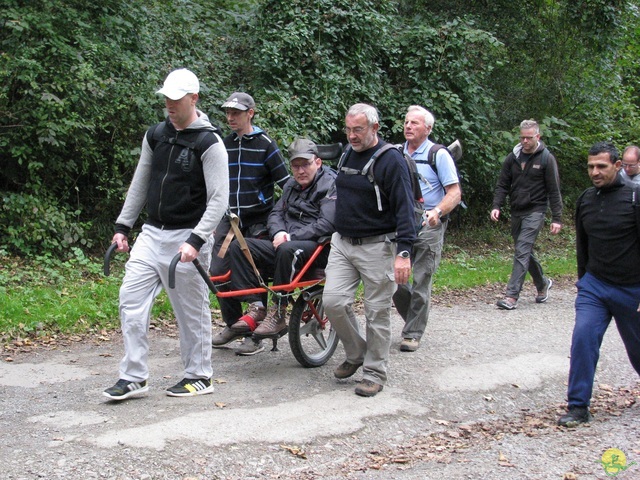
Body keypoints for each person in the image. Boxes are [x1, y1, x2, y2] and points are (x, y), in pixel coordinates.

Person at [103, 68, 229, 401]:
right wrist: (122, 226)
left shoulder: (209, 142)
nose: (170, 105)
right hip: (151, 233)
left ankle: (199, 374)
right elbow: (140, 181)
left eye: (176, 99)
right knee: (130, 301)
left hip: (187, 236)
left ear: (193, 99)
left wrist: (196, 240)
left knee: (190, 312)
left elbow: (219, 200)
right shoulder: (156, 135)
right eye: (166, 99)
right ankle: (133, 377)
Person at [323, 103, 416, 397]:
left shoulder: (391, 161)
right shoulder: (348, 152)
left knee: (377, 313)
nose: (352, 135)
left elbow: (406, 209)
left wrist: (404, 253)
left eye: (358, 130)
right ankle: (356, 353)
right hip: (342, 243)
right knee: (333, 302)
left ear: (375, 128)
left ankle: (374, 373)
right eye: (348, 129)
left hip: (378, 246)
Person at [223, 139, 337, 354]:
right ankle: (256, 306)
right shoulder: (291, 186)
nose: (301, 170)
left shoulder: (331, 184)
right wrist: (278, 233)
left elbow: (327, 224)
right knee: (240, 245)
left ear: (318, 162)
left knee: (287, 250)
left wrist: (290, 236)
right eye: (296, 166)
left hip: (318, 247)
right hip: (286, 243)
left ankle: (278, 312)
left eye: (306, 164)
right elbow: (276, 213)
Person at [558, 141, 640, 427]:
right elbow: (583, 244)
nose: (595, 172)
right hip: (595, 286)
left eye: (601, 166)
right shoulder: (586, 199)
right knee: (583, 339)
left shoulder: (635, 197)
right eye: (591, 166)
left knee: (637, 348)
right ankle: (578, 406)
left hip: (632, 288)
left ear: (617, 166)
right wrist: (583, 280)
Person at [210, 92, 290, 354]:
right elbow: (215, 183)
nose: (231, 117)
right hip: (229, 219)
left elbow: (286, 185)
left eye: (236, 113)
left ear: (250, 113)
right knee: (217, 273)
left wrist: (286, 219)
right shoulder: (225, 144)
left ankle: (254, 336)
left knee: (255, 272)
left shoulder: (266, 144)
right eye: (228, 113)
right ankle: (234, 325)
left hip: (258, 220)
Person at [392, 106, 461, 352]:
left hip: (429, 222)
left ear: (428, 129)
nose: (408, 126)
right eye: (407, 122)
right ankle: (415, 318)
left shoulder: (438, 154)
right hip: (401, 221)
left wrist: (438, 212)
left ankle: (412, 332)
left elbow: (454, 192)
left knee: (421, 279)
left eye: (415, 123)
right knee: (394, 280)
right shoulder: (396, 153)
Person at [490, 119, 563, 310]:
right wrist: (496, 205)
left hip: (536, 210)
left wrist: (557, 218)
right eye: (522, 137)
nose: (524, 141)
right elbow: (502, 184)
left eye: (529, 138)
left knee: (522, 250)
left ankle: (511, 296)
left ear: (537, 137)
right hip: (517, 210)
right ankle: (542, 283)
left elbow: (554, 190)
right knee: (525, 252)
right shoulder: (512, 158)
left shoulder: (546, 158)